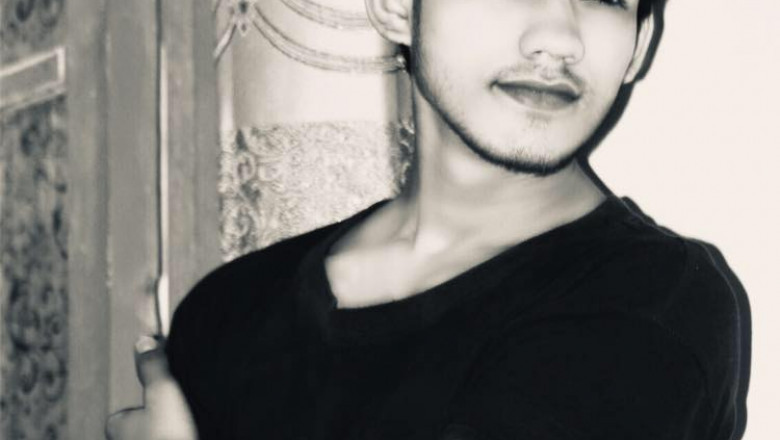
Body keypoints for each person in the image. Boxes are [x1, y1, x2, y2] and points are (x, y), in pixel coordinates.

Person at [107, 0, 750, 439]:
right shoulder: (227, 310)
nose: (559, 37)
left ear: (639, 44)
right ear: (395, 6)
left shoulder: (655, 304)